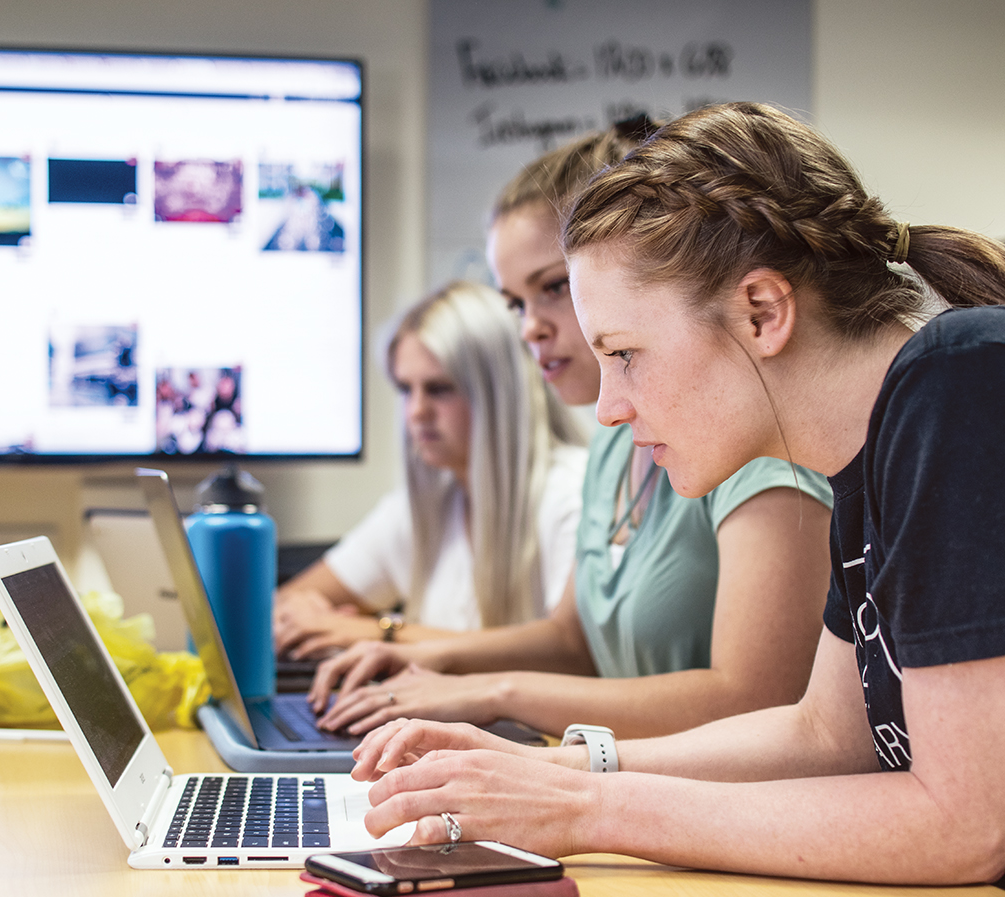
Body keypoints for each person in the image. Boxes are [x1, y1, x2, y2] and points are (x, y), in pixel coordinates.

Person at [348, 102, 1005, 897]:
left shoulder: (967, 385)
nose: (608, 406)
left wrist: (587, 808)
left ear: (762, 311)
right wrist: (568, 766)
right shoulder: (870, 455)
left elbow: (960, 823)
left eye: (625, 355)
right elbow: (826, 734)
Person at [307, 119, 835, 740]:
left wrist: (491, 690)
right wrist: (433, 663)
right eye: (515, 303)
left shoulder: (754, 447)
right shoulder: (615, 435)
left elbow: (756, 702)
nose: (531, 328)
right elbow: (572, 641)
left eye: (555, 288)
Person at [274, 280, 588, 657]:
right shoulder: (430, 502)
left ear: (498, 392)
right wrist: (314, 617)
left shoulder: (573, 492)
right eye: (406, 389)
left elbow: (565, 654)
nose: (416, 412)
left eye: (439, 389)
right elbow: (285, 606)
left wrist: (377, 633)